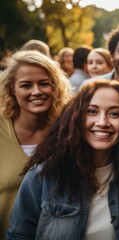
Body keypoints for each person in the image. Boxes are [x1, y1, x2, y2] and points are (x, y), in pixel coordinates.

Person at [7, 80, 119, 239]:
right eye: (92, 111)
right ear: (76, 117)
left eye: (114, 113)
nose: (102, 123)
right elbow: (19, 235)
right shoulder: (43, 176)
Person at [0, 50, 73, 238]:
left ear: (55, 87)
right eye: (26, 85)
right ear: (11, 89)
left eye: (43, 83)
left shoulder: (68, 130)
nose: (36, 91)